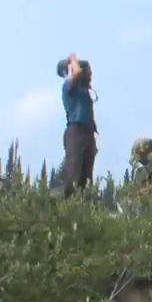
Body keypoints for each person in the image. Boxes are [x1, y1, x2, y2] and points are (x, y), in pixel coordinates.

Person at [56, 53, 98, 197]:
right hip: (76, 131)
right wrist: (73, 59)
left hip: (87, 132)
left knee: (86, 179)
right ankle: (69, 202)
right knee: (74, 174)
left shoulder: (84, 92)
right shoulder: (69, 87)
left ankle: (82, 203)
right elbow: (77, 74)